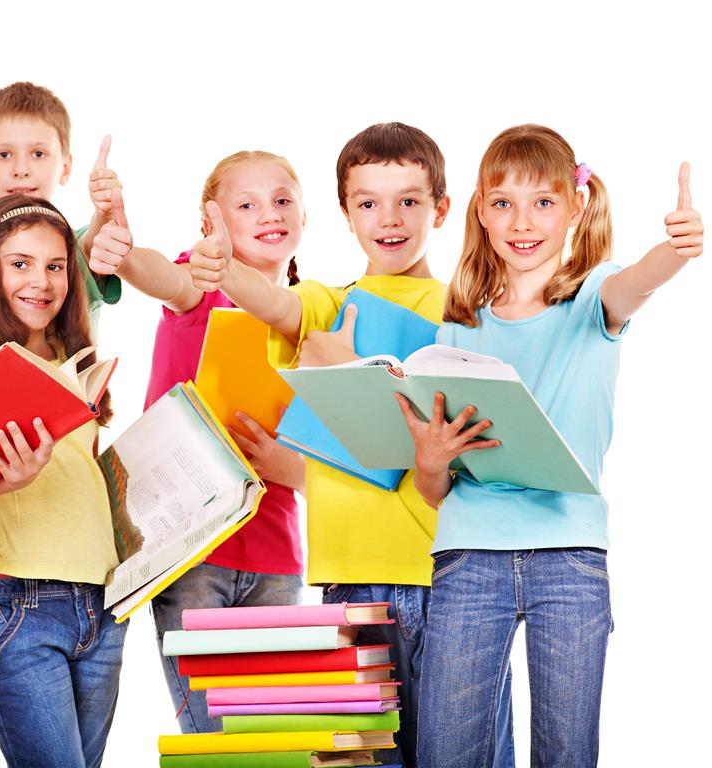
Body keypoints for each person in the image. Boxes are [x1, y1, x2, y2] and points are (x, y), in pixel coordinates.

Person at [188, 123, 513, 768]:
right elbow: (278, 307)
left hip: (455, 580)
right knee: (365, 759)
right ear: (345, 212)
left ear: (442, 209)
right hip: (348, 585)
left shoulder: (474, 312)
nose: (388, 219)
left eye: (409, 201)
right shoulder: (330, 303)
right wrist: (226, 271)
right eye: (368, 202)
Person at [402, 125, 703, 768]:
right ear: (481, 212)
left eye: (543, 202)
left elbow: (642, 281)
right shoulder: (458, 324)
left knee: (567, 752)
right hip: (468, 556)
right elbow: (436, 488)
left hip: (568, 557)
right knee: (448, 750)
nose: (522, 221)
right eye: (503, 202)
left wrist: (675, 251)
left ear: (574, 207)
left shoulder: (595, 296)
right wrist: (429, 461)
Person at [0, 80, 123, 767]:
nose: (39, 280)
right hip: (12, 594)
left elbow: (102, 256)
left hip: (100, 598)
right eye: (18, 265)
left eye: (52, 267)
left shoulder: (74, 352)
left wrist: (105, 221)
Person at [90, 150, 307, 732]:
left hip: (276, 558)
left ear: (305, 217)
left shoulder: (312, 319)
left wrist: (291, 467)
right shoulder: (202, 285)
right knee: (213, 739)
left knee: (271, 741)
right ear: (212, 223)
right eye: (247, 204)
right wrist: (125, 251)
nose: (270, 213)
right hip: (189, 554)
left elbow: (332, 457)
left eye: (283, 199)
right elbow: (165, 277)